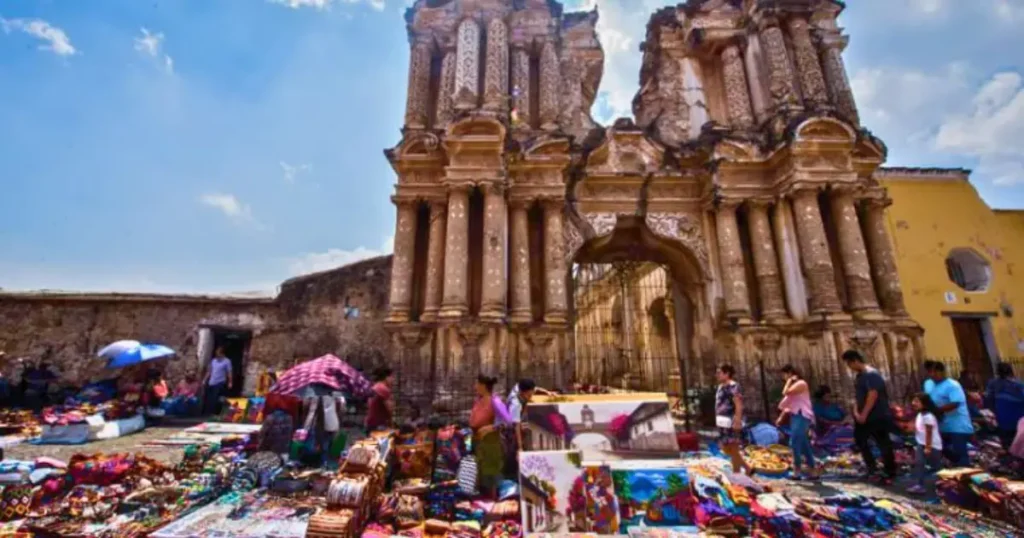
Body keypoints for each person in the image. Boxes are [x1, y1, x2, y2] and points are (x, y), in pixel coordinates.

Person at [842, 349, 898, 484]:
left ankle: (889, 472)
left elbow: (872, 395)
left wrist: (864, 414)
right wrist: (856, 412)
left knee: (883, 443)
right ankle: (871, 468)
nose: (849, 367)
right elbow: (859, 396)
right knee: (860, 440)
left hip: (877, 415)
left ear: (855, 361)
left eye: (849, 364)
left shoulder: (871, 374)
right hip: (863, 417)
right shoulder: (860, 376)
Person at [469, 374, 513, 497]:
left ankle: (493, 505)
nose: (475, 387)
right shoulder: (478, 401)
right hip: (479, 443)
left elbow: (508, 421)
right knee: (480, 474)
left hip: (491, 444)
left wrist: (491, 427)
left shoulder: (495, 401)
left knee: (492, 475)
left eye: (477, 384)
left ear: (483, 386)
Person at [923, 361, 973, 467]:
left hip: (957, 425)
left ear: (942, 372)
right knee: (941, 449)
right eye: (930, 372)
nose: (932, 375)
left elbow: (955, 403)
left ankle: (965, 472)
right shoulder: (928, 384)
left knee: (960, 454)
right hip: (940, 425)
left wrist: (936, 410)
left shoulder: (952, 385)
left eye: (935, 372)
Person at [777, 365, 817, 480]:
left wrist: (789, 381)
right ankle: (812, 469)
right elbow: (784, 405)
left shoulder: (801, 384)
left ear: (790, 373)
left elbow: (785, 392)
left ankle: (797, 470)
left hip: (802, 415)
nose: (783, 377)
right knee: (804, 444)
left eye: (785, 374)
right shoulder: (795, 388)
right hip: (796, 416)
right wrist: (781, 416)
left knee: (794, 442)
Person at [715, 365, 751, 475]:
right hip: (722, 422)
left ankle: (737, 474)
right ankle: (747, 468)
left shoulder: (734, 386)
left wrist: (738, 419)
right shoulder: (720, 387)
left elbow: (738, 404)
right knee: (725, 447)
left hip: (732, 421)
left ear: (727, 374)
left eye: (719, 373)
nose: (717, 375)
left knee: (734, 448)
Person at [907, 392, 943, 495]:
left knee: (936, 467)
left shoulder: (928, 416)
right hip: (921, 443)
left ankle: (943, 485)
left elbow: (929, 433)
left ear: (925, 403)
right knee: (919, 464)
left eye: (917, 401)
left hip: (932, 445)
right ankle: (919, 485)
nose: (913, 403)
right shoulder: (920, 415)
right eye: (913, 401)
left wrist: (928, 447)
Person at [985, 362, 1024, 448]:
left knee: (1007, 445)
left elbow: (988, 400)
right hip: (1020, 420)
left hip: (1002, 420)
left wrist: (993, 412)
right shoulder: (1018, 384)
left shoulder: (993, 384)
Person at [203, 348, 233, 416]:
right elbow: (209, 371)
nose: (217, 355)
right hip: (212, 382)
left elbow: (229, 372)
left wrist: (230, 382)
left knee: (216, 398)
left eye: (219, 354)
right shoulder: (213, 361)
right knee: (210, 398)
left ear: (222, 354)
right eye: (216, 354)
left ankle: (216, 413)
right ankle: (209, 413)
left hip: (220, 382)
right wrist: (204, 380)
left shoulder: (227, 361)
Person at [365, 367, 395, 433]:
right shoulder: (384, 389)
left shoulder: (374, 387)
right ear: (386, 377)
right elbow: (390, 409)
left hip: (371, 423)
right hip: (379, 425)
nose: (393, 380)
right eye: (392, 377)